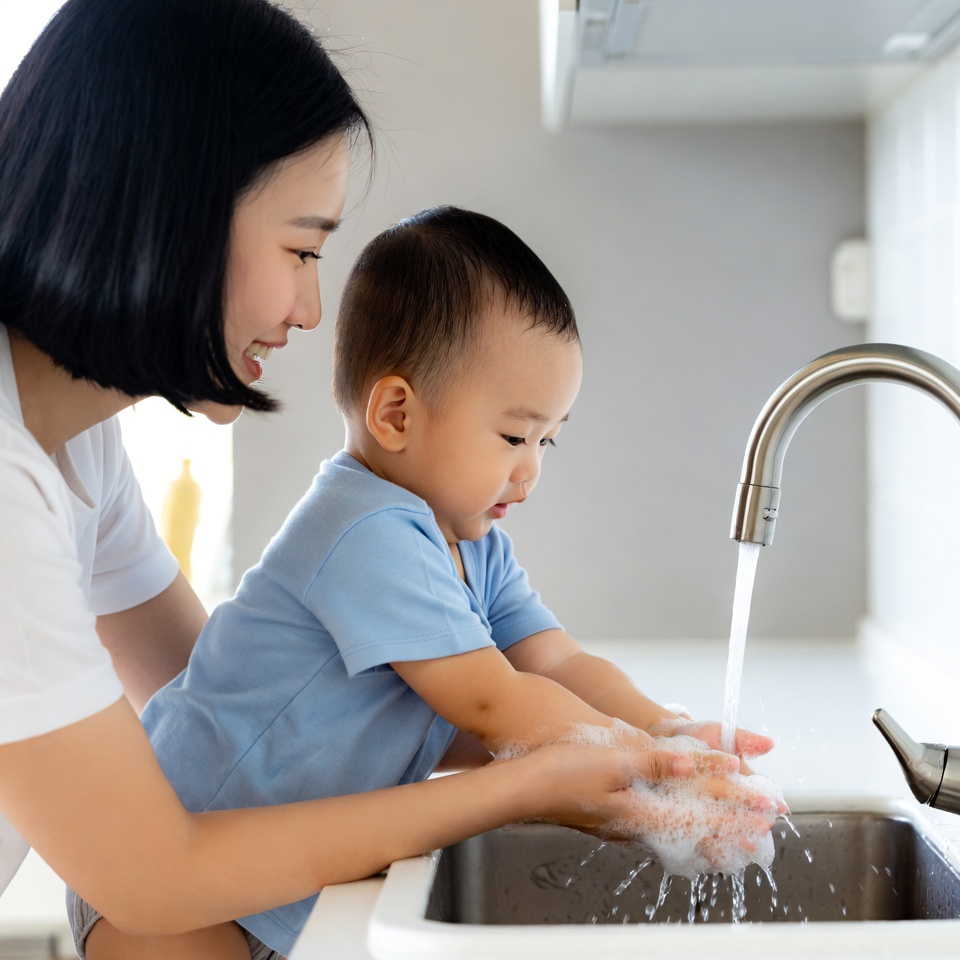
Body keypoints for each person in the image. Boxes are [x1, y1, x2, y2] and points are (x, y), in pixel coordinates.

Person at [0, 0, 728, 956]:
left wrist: (641, 740)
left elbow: (218, 684)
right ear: (165, 207)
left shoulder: (76, 446)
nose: (310, 309)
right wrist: (517, 781)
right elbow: (152, 870)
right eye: (301, 249)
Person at [78, 206, 781, 958]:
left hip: (270, 877)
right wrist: (655, 777)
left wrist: (662, 730)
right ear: (396, 413)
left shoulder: (474, 547)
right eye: (514, 435)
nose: (532, 466)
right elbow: (497, 704)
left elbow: (557, 663)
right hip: (179, 877)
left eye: (548, 439)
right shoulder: (366, 532)